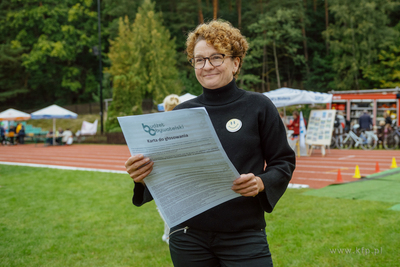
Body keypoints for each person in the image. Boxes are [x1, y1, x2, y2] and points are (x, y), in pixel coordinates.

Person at [125, 20, 295, 266]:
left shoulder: (259, 106)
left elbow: (283, 161)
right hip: (187, 236)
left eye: (216, 57)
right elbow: (166, 171)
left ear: (235, 62)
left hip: (244, 234)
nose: (207, 66)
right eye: (199, 59)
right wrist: (141, 176)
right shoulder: (181, 112)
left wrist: (261, 182)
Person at [158, 94, 181, 244]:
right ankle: (171, 233)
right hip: (181, 171)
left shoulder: (160, 125)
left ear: (165, 107)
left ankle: (170, 234)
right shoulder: (184, 123)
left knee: (165, 205)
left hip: (164, 173)